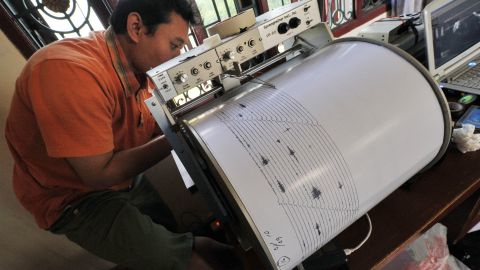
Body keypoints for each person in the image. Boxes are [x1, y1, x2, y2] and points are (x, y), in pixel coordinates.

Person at [5, 0, 242, 269]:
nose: (177, 56)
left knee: (171, 236)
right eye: (174, 45)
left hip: (123, 178)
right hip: (74, 199)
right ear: (136, 27)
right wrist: (182, 134)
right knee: (178, 260)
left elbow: (152, 123)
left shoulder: (140, 68)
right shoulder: (70, 72)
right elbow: (100, 173)